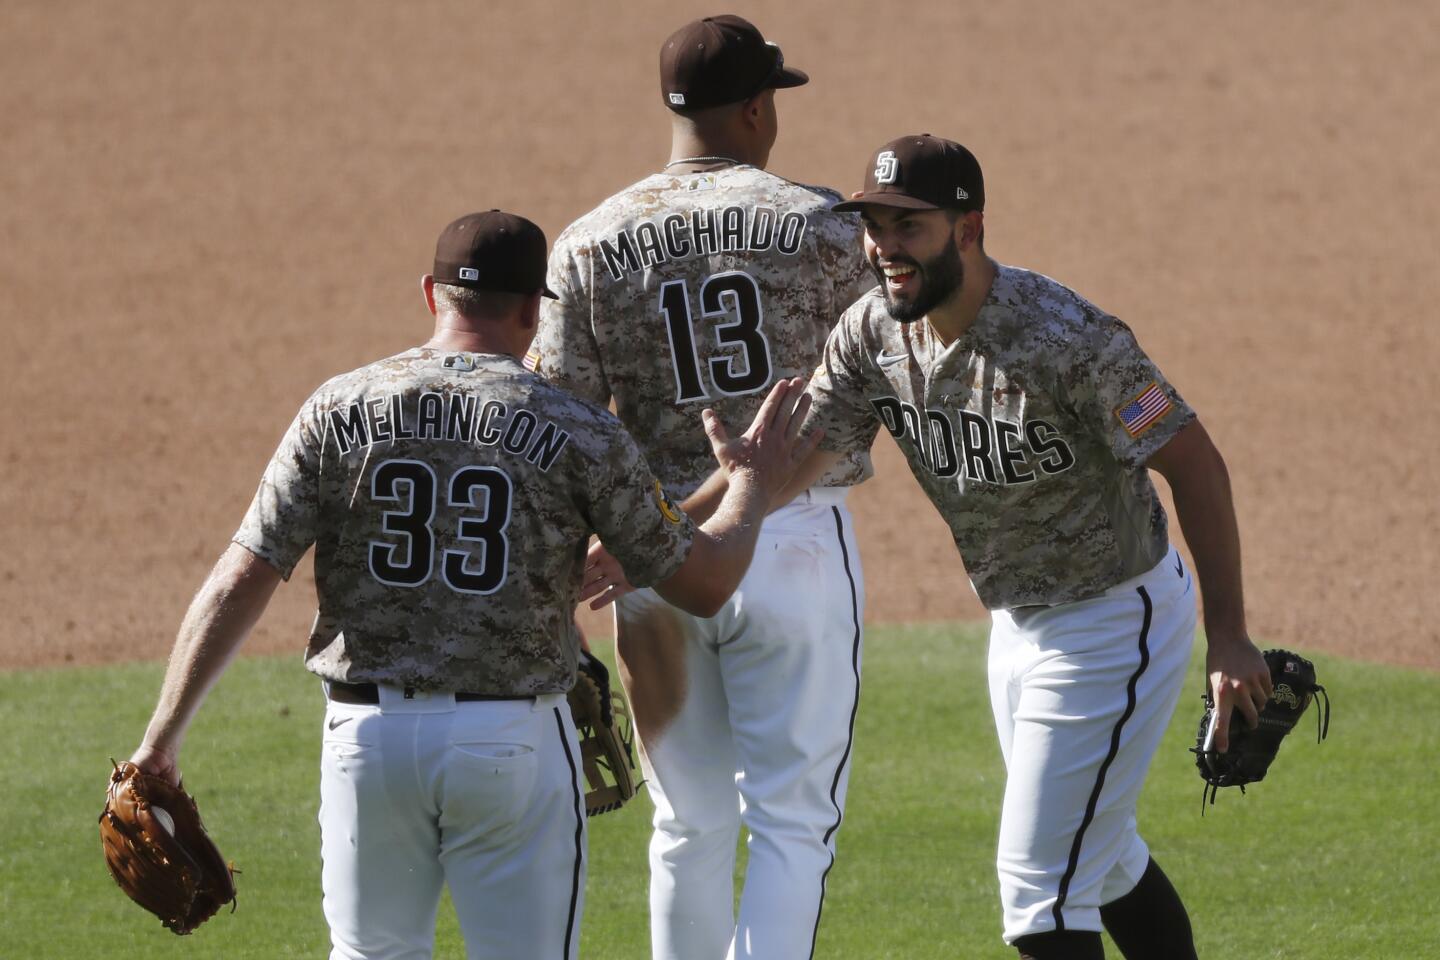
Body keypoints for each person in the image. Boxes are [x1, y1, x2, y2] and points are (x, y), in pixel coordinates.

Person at [125, 209, 821, 960]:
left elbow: (241, 576)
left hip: (368, 743)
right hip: (510, 747)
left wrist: (160, 739)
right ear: (531, 310)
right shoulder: (580, 431)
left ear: (432, 294)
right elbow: (705, 584)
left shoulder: (338, 408)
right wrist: (748, 485)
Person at [790, 135, 1271, 959]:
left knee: (1039, 895)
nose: (884, 248)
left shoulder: (1067, 338)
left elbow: (1195, 463)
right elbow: (793, 457)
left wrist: (1227, 634)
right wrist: (670, 529)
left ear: (967, 229)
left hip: (1116, 620)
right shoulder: (872, 334)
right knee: (1105, 858)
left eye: (908, 225)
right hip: (1017, 627)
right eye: (874, 224)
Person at [527, 15, 874, 960]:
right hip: (792, 542)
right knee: (793, 826)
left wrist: (589, 556)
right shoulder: (822, 225)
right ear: (758, 107)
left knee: (687, 823)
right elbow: (861, 398)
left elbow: (556, 423)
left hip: (653, 562)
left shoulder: (590, 242)